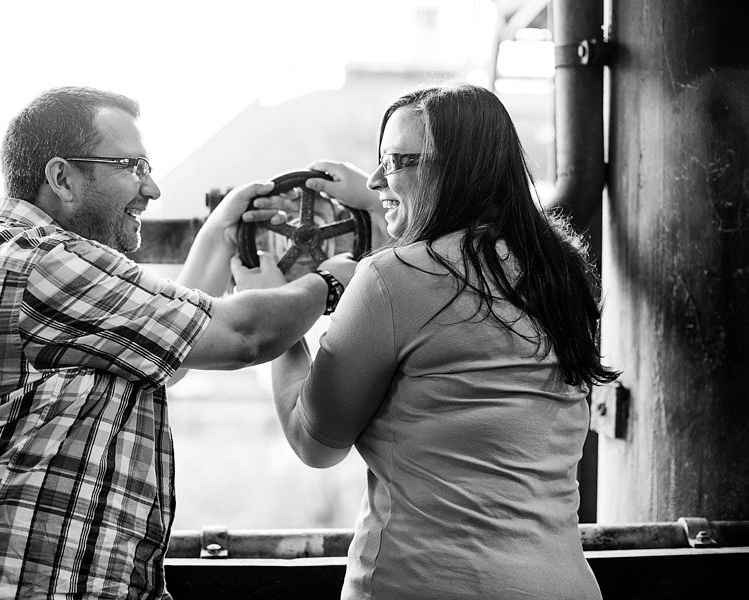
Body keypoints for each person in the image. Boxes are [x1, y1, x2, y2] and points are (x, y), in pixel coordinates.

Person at [0, 86, 353, 600]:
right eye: (131, 166)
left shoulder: (18, 256)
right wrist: (333, 280)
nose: (152, 189)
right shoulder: (39, 260)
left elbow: (166, 353)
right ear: (61, 178)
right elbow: (245, 336)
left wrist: (222, 232)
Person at [236, 83, 620, 599]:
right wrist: (391, 200)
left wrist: (279, 312)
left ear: (458, 168)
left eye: (395, 161)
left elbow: (314, 442)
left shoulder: (391, 280)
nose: (374, 180)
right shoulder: (564, 273)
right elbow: (452, 287)